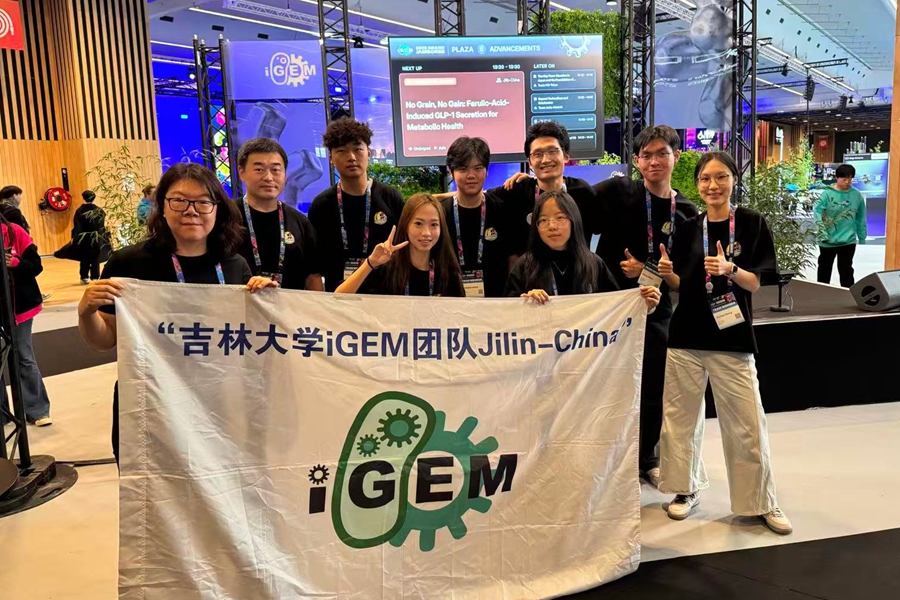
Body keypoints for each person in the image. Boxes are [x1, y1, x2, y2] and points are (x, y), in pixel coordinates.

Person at [77, 163, 277, 462]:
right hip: (151, 405)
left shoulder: (235, 266)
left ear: (217, 210)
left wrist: (266, 304)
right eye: (179, 200)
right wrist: (86, 312)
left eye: (203, 202)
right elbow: (104, 340)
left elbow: (250, 344)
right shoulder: (128, 263)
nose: (191, 210)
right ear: (162, 207)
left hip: (219, 405)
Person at [657, 151, 791, 535]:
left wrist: (731, 268)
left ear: (734, 179)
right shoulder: (688, 228)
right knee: (678, 421)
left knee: (747, 424)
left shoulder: (750, 223)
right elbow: (683, 285)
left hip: (732, 337)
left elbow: (756, 283)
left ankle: (761, 501)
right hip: (685, 337)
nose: (712, 185)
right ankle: (685, 489)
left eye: (720, 177)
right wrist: (667, 274)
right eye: (705, 179)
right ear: (697, 184)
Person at [594, 125, 700, 487]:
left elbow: (684, 278)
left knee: (653, 385)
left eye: (662, 154)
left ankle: (647, 457)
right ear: (637, 161)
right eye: (646, 155)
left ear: (676, 157)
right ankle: (609, 456)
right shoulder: (618, 192)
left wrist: (646, 271)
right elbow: (568, 203)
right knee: (608, 384)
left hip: (656, 309)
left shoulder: (686, 212)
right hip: (610, 309)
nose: (654, 161)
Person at [505, 190, 660, 314]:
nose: (552, 226)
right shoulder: (524, 265)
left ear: (574, 220)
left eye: (560, 217)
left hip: (586, 344)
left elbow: (615, 309)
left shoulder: (593, 263)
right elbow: (506, 315)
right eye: (543, 220)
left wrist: (645, 305)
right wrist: (523, 303)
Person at [309, 118, 404, 292]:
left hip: (386, 296)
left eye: (358, 149)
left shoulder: (391, 198)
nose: (351, 157)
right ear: (331, 158)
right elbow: (314, 266)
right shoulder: (321, 206)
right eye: (341, 151)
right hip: (339, 297)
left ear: (369, 153)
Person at [495, 122, 598, 262]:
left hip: (576, 273)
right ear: (530, 162)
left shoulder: (583, 193)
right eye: (538, 154)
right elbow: (476, 197)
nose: (545, 160)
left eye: (552, 151)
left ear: (566, 156)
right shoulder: (517, 191)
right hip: (532, 273)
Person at [235, 137, 323, 291]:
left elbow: (312, 277)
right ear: (242, 173)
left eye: (275, 170)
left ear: (285, 175)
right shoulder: (225, 216)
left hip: (290, 306)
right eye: (259, 170)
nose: (268, 177)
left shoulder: (300, 223)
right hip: (237, 304)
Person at [336, 193, 464, 297]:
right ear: (405, 225)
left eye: (434, 224)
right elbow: (339, 297)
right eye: (418, 224)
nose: (426, 233)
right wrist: (370, 263)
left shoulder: (448, 273)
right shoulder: (387, 269)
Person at [441, 136, 512, 298]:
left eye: (478, 168)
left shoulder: (502, 210)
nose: (471, 175)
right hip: (450, 301)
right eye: (463, 169)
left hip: (496, 301)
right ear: (451, 172)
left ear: (486, 171)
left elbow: (512, 259)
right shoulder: (440, 213)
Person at [0, 213, 52, 426]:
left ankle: (37, 410)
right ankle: (2, 414)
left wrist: (16, 263)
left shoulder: (15, 232)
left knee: (24, 356)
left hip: (19, 306)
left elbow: (36, 266)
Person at [814, 163, 867, 287]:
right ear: (837, 177)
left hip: (848, 241)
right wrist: (822, 232)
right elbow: (817, 212)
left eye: (850, 179)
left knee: (846, 272)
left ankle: (848, 295)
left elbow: (860, 217)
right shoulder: (827, 194)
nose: (847, 182)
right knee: (824, 271)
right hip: (827, 240)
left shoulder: (856, 195)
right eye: (844, 179)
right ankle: (821, 295)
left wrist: (862, 236)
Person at [72, 190, 111, 284]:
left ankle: (84, 276)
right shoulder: (99, 210)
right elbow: (102, 225)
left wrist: (75, 237)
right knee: (95, 257)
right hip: (97, 237)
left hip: (84, 238)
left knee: (84, 257)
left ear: (83, 198)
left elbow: (77, 226)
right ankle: (95, 276)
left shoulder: (80, 211)